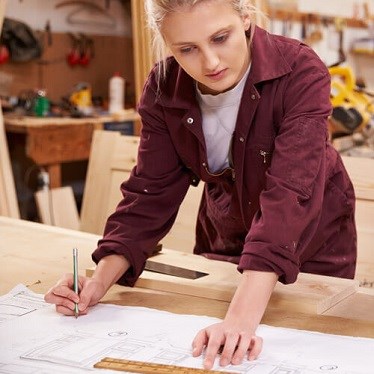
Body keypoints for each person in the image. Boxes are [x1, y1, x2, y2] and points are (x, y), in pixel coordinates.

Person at [45, 0, 357, 370]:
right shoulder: (163, 87)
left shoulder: (300, 70)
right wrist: (99, 282)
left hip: (311, 243)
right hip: (224, 241)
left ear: (245, 17)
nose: (210, 63)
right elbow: (149, 194)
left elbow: (291, 193)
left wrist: (240, 320)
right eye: (187, 49)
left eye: (220, 38)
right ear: (166, 41)